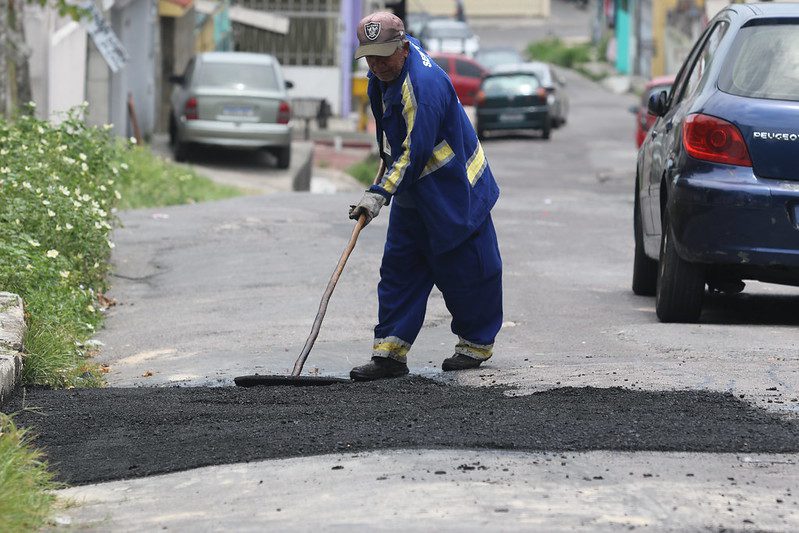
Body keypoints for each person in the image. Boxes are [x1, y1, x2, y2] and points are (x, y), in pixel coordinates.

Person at [348, 12, 502, 381]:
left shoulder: (424, 85)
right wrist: (385, 167)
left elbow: (415, 152)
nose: (377, 64)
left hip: (455, 188)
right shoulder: (381, 73)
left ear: (403, 47)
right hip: (414, 188)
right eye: (370, 56)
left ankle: (475, 345)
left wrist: (379, 193)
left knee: (466, 266)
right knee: (400, 267)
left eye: (384, 55)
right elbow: (391, 134)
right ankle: (389, 352)